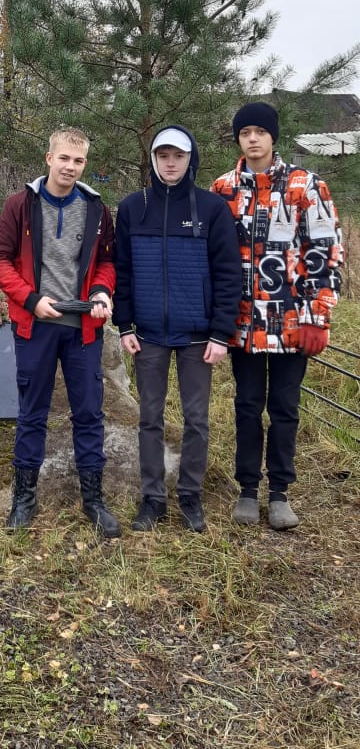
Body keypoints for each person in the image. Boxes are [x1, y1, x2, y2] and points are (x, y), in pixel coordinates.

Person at [211, 102, 343, 529]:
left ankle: (280, 492)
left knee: (285, 407)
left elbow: (324, 253)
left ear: (273, 137)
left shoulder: (306, 186)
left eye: (260, 131)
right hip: (243, 325)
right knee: (247, 405)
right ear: (238, 139)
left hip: (291, 322)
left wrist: (317, 316)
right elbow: (213, 258)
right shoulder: (222, 189)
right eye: (245, 131)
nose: (252, 138)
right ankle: (248, 490)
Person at [0, 127, 119, 535]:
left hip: (82, 329)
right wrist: (30, 299)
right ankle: (23, 500)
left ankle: (93, 500)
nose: (70, 167)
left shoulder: (97, 209)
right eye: (64, 158)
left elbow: (107, 263)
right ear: (48, 158)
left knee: (89, 414)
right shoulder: (20, 206)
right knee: (32, 414)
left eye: (78, 161)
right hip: (36, 327)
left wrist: (101, 290)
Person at [113, 127, 242, 532]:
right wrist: (124, 325)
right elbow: (123, 272)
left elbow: (227, 275)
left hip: (199, 337)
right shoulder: (133, 208)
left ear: (191, 159)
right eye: (163, 155)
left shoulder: (212, 208)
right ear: (153, 159)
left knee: (196, 419)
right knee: (149, 417)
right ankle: (152, 499)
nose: (171, 162)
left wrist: (221, 333)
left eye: (178, 156)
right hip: (147, 334)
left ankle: (190, 496)